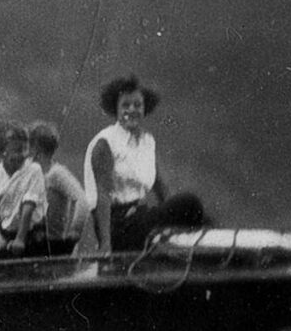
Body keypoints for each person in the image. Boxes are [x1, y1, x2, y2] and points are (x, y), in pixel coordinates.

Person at [82, 76, 209, 255]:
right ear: (116, 109)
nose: (132, 110)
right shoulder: (105, 142)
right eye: (126, 105)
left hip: (140, 216)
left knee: (193, 209)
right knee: (190, 202)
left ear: (145, 108)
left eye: (137, 105)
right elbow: (102, 196)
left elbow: (161, 189)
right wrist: (105, 244)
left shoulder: (147, 142)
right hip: (117, 225)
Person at [0, 119, 46, 254]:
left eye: (25, 149)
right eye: (17, 151)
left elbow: (28, 207)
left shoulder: (34, 170)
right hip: (7, 233)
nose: (23, 155)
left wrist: (20, 239)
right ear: (0, 153)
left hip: (31, 232)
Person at [28, 121, 91, 254]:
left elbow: (83, 201)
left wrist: (75, 232)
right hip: (31, 241)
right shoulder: (29, 171)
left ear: (35, 149)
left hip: (53, 244)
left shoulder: (56, 174)